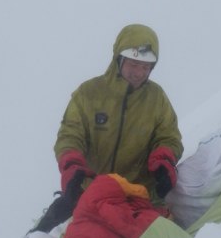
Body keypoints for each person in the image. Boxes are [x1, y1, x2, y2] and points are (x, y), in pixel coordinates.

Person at [53, 23, 183, 205]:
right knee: (43, 232)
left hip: (139, 195)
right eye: (134, 63)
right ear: (119, 59)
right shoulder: (88, 94)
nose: (139, 73)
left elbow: (168, 137)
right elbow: (70, 135)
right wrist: (72, 167)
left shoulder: (156, 98)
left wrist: (163, 160)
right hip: (90, 192)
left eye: (146, 67)